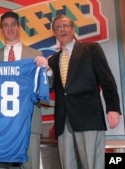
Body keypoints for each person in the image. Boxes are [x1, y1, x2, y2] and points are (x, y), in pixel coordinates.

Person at [0, 11, 52, 169]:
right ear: (1, 30)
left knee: (29, 166)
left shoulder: (35, 55)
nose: (10, 28)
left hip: (28, 124)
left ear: (19, 27)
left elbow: (48, 86)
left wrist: (46, 70)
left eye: (13, 24)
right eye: (5, 25)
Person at [48, 14, 121, 169]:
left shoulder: (91, 49)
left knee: (92, 165)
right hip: (64, 122)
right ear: (54, 33)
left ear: (73, 29)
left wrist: (113, 108)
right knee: (68, 165)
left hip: (89, 117)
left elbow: (107, 80)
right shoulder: (53, 60)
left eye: (66, 26)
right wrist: (46, 72)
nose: (62, 29)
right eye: (58, 27)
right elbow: (51, 87)